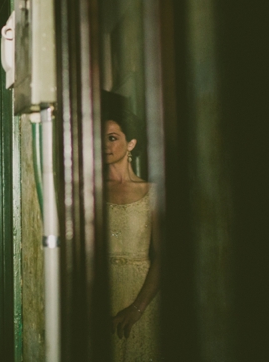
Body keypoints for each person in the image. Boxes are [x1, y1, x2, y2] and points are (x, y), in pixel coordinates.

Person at [102, 91, 161, 361]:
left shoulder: (152, 193)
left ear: (131, 144)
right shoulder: (90, 194)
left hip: (141, 295)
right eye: (101, 138)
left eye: (113, 138)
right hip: (102, 291)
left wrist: (137, 308)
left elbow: (164, 257)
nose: (105, 144)